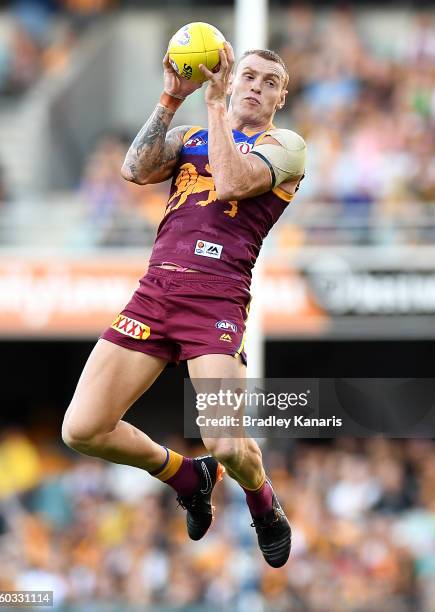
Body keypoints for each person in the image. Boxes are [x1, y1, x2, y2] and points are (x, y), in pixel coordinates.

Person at [62, 41, 306, 568]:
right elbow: (134, 169)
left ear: (280, 97)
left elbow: (233, 182)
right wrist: (172, 99)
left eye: (270, 82)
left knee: (224, 441)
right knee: (81, 429)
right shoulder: (190, 136)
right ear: (233, 78)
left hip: (216, 300)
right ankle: (183, 475)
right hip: (156, 291)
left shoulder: (286, 146)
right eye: (249, 76)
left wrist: (215, 104)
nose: (256, 87)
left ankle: (262, 502)